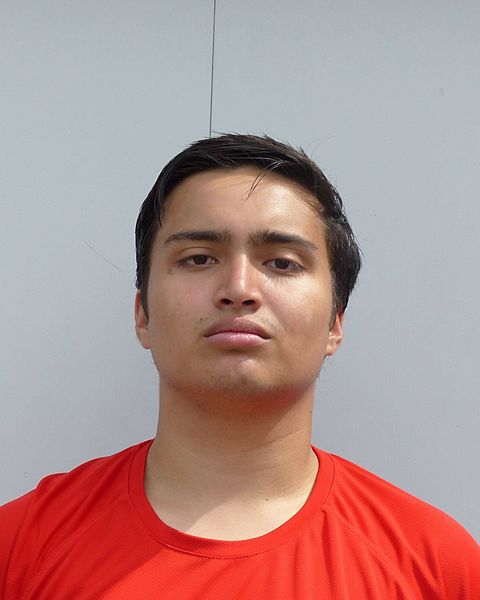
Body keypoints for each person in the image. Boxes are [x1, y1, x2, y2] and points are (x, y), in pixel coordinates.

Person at [1, 134, 478, 599]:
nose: (239, 288)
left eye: (283, 263)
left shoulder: (436, 569)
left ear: (335, 322)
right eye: (199, 258)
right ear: (143, 315)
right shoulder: (18, 550)